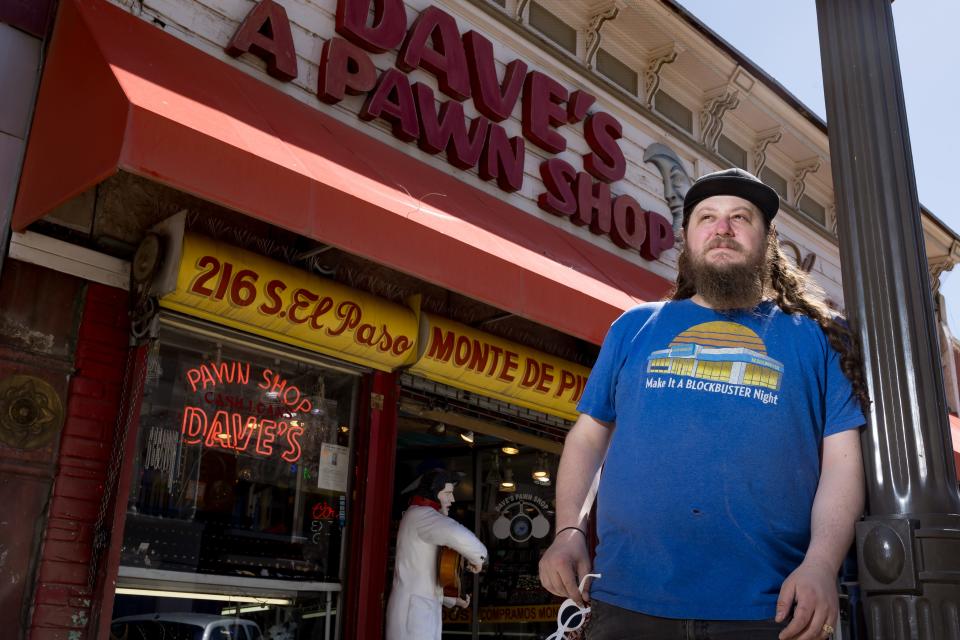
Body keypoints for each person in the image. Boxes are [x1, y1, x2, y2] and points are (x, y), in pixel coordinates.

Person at [539, 168, 867, 640]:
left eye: (741, 217)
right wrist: (569, 530)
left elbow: (842, 462)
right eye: (707, 218)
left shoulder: (815, 338)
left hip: (771, 608)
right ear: (688, 240)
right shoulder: (634, 328)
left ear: (767, 240)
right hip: (628, 601)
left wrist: (821, 563)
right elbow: (588, 439)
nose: (723, 228)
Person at [385, 469, 488, 640]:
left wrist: (452, 600)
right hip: (414, 613)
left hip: (416, 609)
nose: (452, 499)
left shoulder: (417, 515)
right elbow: (455, 533)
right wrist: (480, 558)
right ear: (433, 492)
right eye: (447, 493)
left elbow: (423, 575)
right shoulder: (421, 515)